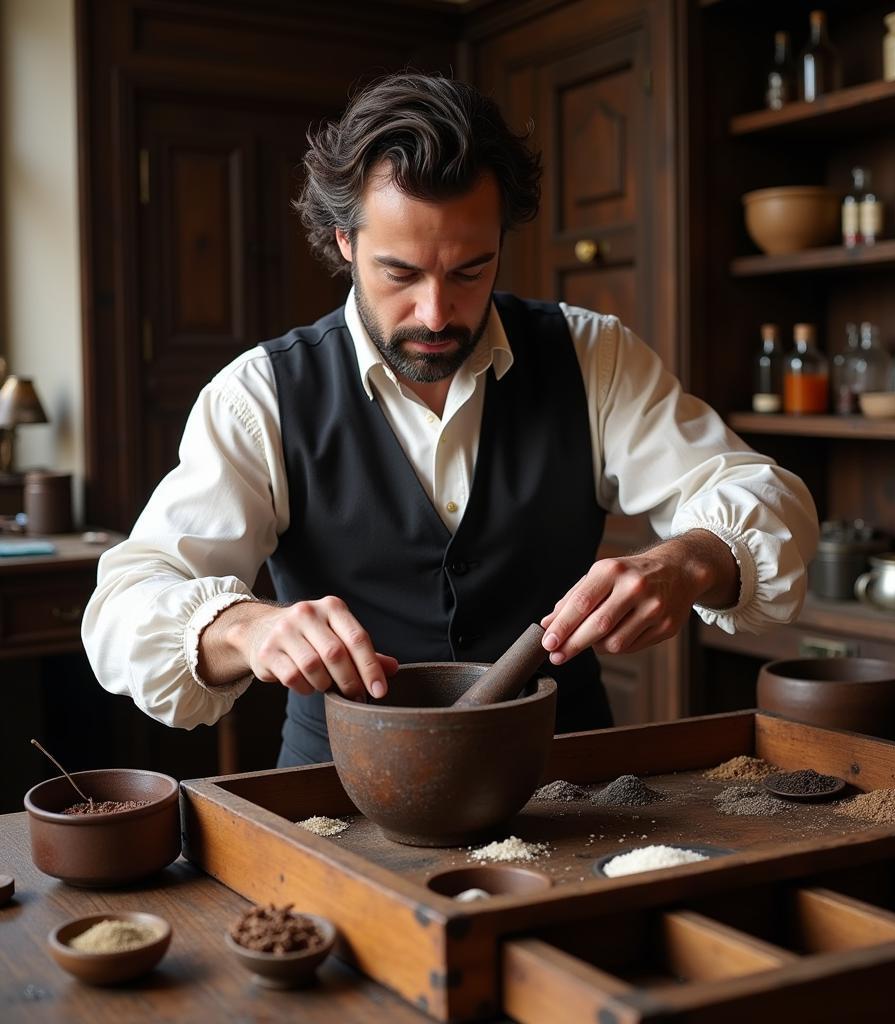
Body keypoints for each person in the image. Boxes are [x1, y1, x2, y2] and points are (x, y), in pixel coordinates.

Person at [82, 73, 818, 767]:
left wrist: (688, 561)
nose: (436, 313)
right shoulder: (260, 394)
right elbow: (124, 607)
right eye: (400, 273)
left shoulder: (593, 356)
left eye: (470, 270)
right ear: (346, 243)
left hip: (567, 784)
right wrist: (249, 626)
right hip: (339, 794)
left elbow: (763, 493)